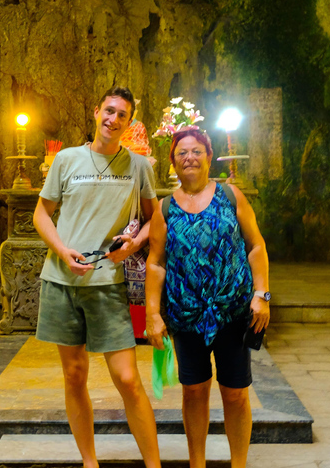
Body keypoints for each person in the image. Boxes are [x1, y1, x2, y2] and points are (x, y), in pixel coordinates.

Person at [33, 86, 161, 468]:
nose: (113, 119)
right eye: (109, 111)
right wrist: (61, 250)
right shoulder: (67, 159)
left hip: (107, 284)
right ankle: (90, 463)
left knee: (127, 379)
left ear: (129, 122)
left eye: (122, 115)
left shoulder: (138, 167)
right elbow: (41, 214)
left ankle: (154, 465)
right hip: (61, 281)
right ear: (95, 112)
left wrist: (133, 244)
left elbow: (155, 217)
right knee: (74, 375)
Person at [145, 128, 270, 468]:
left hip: (232, 313)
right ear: (173, 162)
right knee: (194, 391)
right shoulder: (165, 208)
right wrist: (152, 314)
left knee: (235, 393)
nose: (190, 157)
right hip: (186, 319)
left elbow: (255, 245)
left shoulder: (231, 196)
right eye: (182, 152)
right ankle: (196, 463)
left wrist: (262, 294)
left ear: (209, 156)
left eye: (197, 151)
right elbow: (155, 263)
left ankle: (238, 464)